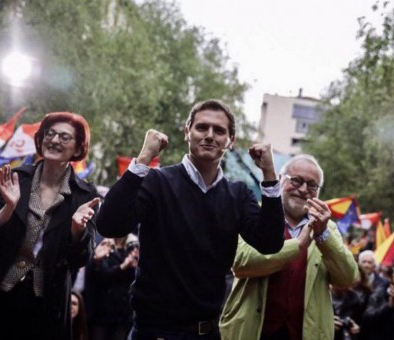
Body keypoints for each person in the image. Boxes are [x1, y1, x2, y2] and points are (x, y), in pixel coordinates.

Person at [96, 99, 285, 339]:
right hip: (154, 332)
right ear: (187, 132)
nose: (209, 135)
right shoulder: (157, 182)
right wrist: (144, 158)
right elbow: (109, 224)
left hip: (207, 332)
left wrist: (270, 177)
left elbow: (270, 243)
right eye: (201, 127)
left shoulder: (238, 195)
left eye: (219, 130)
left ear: (230, 140)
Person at [0, 112, 100, 340]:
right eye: (49, 133)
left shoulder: (85, 194)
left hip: (46, 302)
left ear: (78, 149)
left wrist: (77, 230)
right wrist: (8, 208)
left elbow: (80, 260)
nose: (55, 140)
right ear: (40, 139)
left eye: (64, 137)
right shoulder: (15, 177)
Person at [219, 154, 359, 340]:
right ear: (279, 180)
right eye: (296, 180)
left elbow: (348, 278)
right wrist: (297, 245)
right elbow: (241, 263)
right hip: (252, 331)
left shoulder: (326, 227)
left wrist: (323, 236)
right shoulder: (255, 213)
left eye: (312, 185)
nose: (303, 190)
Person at [86, 234, 137, 340]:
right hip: (102, 307)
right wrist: (123, 266)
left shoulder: (133, 246)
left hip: (123, 308)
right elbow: (103, 275)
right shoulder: (105, 244)